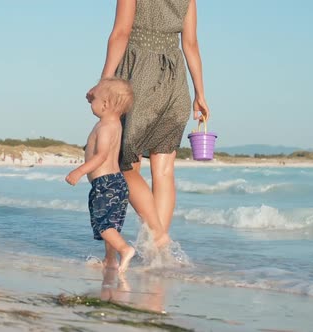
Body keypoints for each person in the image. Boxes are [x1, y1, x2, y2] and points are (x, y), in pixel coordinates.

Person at [91, 0, 210, 248]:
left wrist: (105, 81)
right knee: (165, 170)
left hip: (139, 76)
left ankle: (157, 235)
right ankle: (158, 250)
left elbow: (121, 33)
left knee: (126, 165)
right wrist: (200, 93)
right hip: (175, 80)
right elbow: (191, 44)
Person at [66, 77, 136, 273]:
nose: (91, 102)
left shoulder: (104, 127)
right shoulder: (114, 123)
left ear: (105, 104)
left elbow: (101, 156)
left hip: (105, 184)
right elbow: (98, 97)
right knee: (112, 224)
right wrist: (95, 93)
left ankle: (125, 249)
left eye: (94, 99)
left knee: (103, 223)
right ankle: (110, 260)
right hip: (117, 183)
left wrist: (79, 171)